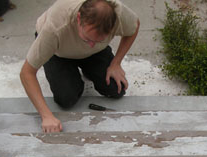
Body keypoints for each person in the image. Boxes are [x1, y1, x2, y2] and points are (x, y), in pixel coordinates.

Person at [20, 0, 140, 133]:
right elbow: (26, 73)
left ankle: (87, 66)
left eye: (98, 40)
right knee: (66, 99)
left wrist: (116, 63)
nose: (91, 45)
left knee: (116, 89)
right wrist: (46, 116)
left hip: (94, 54)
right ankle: (71, 71)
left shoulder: (117, 13)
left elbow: (134, 27)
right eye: (87, 39)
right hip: (59, 52)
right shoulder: (55, 28)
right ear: (78, 19)